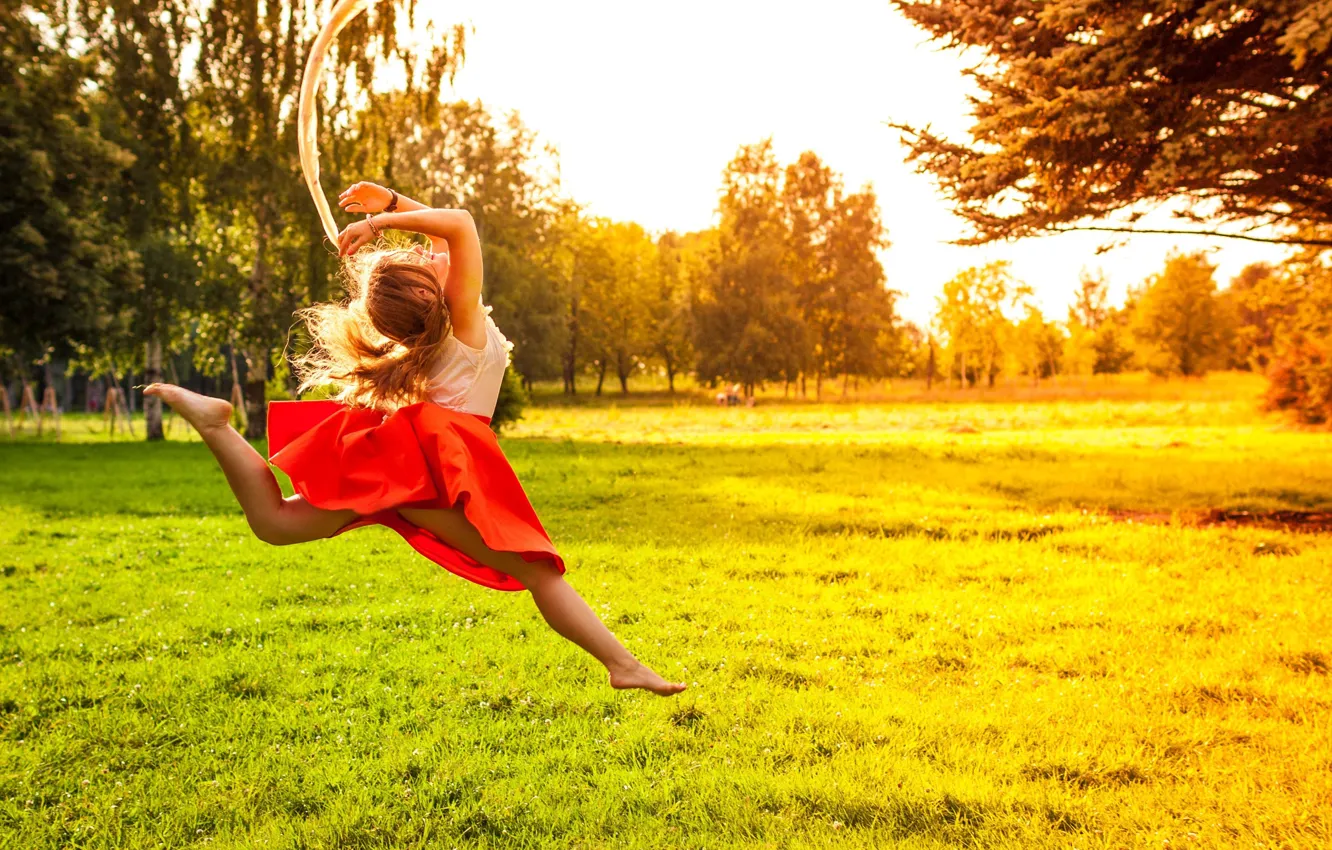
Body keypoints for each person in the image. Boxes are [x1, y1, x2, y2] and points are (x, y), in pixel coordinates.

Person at [145, 181, 684, 696]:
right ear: (430, 292)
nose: (430, 250)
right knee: (536, 570)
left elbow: (442, 233)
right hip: (430, 473)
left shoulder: (447, 328)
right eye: (423, 259)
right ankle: (623, 666)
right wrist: (380, 221)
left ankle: (215, 425)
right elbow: (458, 225)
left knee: (275, 522)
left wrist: (390, 204)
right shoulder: (463, 321)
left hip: (409, 464)